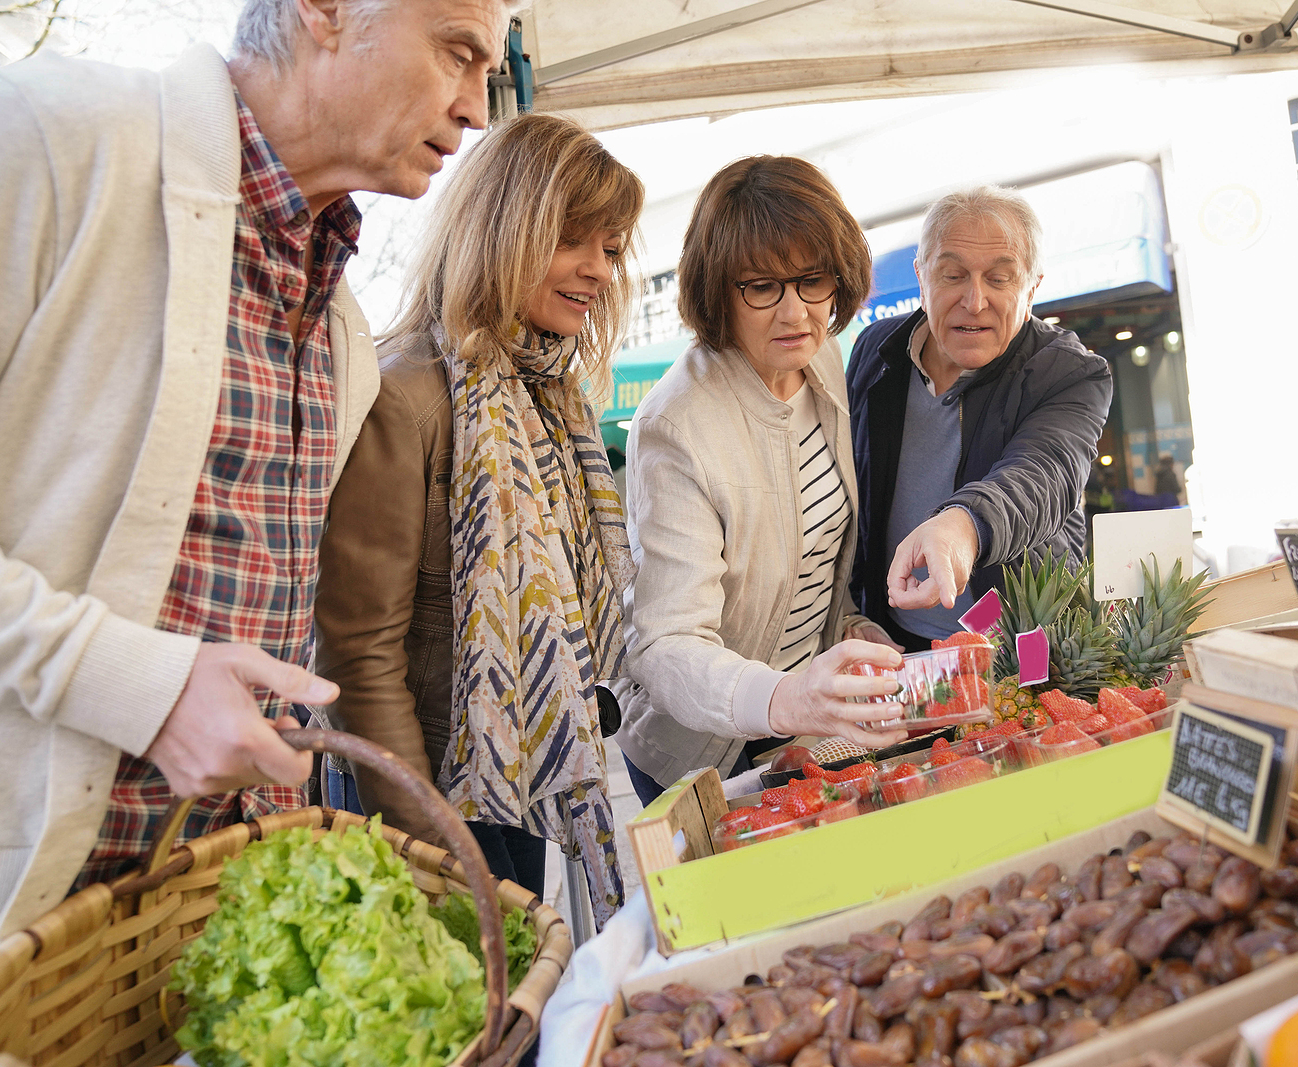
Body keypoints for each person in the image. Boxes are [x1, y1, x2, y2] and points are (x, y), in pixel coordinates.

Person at [0, 0, 504, 953]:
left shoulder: (344, 335)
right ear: (327, 12)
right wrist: (142, 686)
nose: (476, 106)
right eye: (457, 51)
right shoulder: (44, 139)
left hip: (195, 935)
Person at [313, 114, 641, 927]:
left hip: (511, 777)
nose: (598, 270)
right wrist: (439, 841)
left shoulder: (548, 391)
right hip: (418, 793)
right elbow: (359, 657)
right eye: (578, 241)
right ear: (507, 227)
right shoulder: (406, 395)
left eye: (611, 247)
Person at [616, 156, 907, 806]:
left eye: (812, 280)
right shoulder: (677, 425)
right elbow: (666, 643)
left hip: (803, 724)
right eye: (761, 287)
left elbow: (807, 544)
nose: (795, 312)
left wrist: (851, 628)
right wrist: (783, 696)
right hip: (701, 746)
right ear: (718, 289)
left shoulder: (823, 358)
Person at [847, 186, 1112, 651]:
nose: (974, 301)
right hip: (897, 642)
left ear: (1032, 287)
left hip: (1021, 648)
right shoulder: (876, 351)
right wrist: (852, 612)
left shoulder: (1069, 372)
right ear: (921, 276)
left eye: (999, 278)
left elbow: (1044, 472)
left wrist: (964, 525)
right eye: (952, 275)